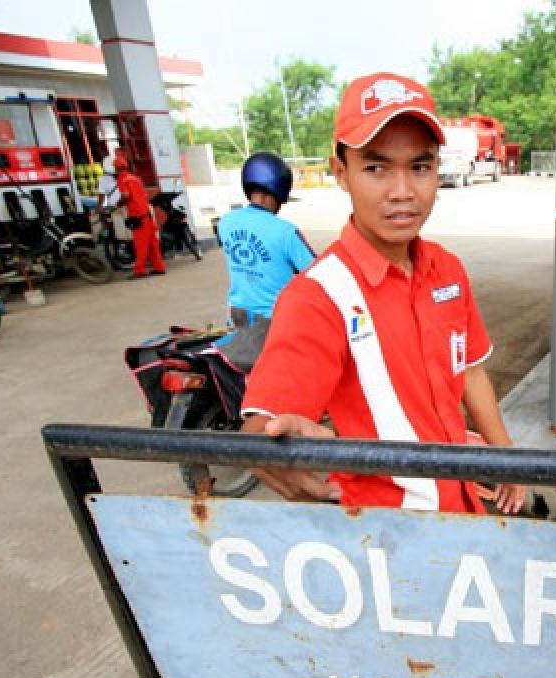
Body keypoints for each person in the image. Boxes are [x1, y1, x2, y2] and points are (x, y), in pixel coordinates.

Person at [240, 72, 524, 515]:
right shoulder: (319, 296)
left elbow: (469, 372)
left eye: (420, 167)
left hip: (466, 508)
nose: (402, 192)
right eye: (376, 167)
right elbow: (265, 422)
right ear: (341, 173)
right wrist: (270, 446)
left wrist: (508, 459)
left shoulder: (447, 270)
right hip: (387, 536)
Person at [214, 152, 316, 370]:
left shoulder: (226, 223)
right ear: (280, 188)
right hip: (277, 326)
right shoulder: (286, 232)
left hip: (236, 319)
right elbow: (318, 272)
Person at [114, 156, 166, 279]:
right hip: (147, 214)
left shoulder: (122, 179)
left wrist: (119, 203)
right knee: (153, 244)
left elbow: (126, 195)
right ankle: (159, 267)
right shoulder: (135, 178)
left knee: (140, 245)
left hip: (138, 217)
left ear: (116, 168)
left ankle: (140, 270)